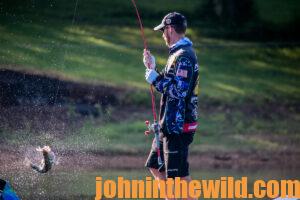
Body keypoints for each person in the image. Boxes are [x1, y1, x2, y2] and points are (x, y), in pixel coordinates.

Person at [143, 12, 199, 199]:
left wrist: (155, 79)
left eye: (163, 30)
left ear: (170, 29)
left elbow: (179, 91)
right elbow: (171, 84)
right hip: (168, 123)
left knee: (180, 176)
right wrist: (153, 69)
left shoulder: (184, 56)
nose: (162, 34)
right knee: (154, 166)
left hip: (179, 127)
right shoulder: (176, 54)